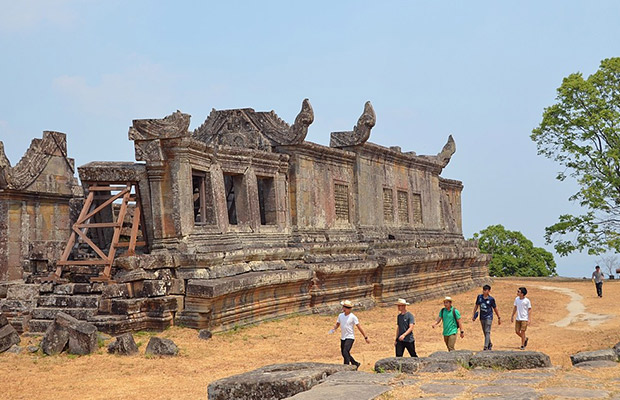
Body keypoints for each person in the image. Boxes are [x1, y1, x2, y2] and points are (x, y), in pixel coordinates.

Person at [329, 300, 370, 368]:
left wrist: (365, 337)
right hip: (343, 337)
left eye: (346, 307)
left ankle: (346, 367)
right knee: (344, 353)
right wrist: (333, 329)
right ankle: (355, 363)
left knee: (345, 351)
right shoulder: (340, 315)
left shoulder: (353, 317)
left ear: (349, 309)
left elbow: (359, 327)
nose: (344, 309)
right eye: (344, 307)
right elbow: (338, 324)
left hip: (350, 337)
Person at [472, 284, 501, 351]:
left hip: (489, 317)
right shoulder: (479, 297)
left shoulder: (491, 299)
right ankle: (489, 343)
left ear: (489, 291)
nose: (484, 291)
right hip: (482, 316)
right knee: (485, 331)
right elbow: (476, 305)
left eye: (486, 290)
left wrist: (498, 317)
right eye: (483, 290)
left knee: (487, 331)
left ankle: (485, 346)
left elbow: (495, 308)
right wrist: (473, 314)